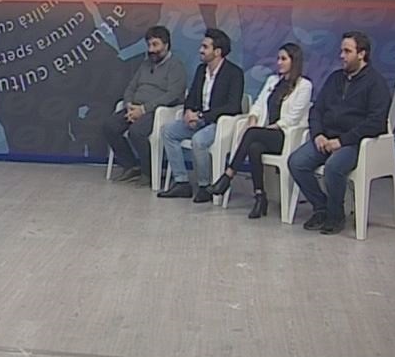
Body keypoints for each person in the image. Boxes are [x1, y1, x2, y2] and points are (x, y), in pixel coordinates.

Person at [288, 31, 391, 235]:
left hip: (354, 142)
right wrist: (318, 134)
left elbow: (376, 122)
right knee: (296, 162)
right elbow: (317, 110)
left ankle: (335, 216)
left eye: (347, 51)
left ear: (361, 54)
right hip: (325, 138)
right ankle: (321, 207)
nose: (341, 56)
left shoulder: (376, 83)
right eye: (341, 51)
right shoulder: (335, 78)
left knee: (333, 167)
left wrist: (342, 141)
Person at [207, 43, 313, 218]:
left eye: (283, 59)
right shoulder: (273, 81)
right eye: (278, 58)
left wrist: (266, 128)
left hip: (285, 135)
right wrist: (252, 118)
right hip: (265, 134)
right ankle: (259, 196)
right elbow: (258, 103)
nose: (279, 62)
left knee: (252, 134)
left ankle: (228, 176)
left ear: (294, 61)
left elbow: (292, 118)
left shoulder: (304, 86)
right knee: (254, 147)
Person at [157, 28, 244, 202]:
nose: (200, 50)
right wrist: (188, 112)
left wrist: (203, 116)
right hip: (198, 120)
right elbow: (191, 97)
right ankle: (181, 182)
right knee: (168, 131)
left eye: (205, 47)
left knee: (199, 140)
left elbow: (233, 106)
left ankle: (205, 186)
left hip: (220, 123)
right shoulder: (201, 70)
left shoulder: (234, 73)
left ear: (217, 52)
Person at [103, 26, 187, 186]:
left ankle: (148, 172)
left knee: (136, 132)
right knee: (110, 126)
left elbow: (173, 95)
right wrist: (129, 105)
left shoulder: (176, 66)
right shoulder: (145, 64)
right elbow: (131, 87)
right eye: (149, 45)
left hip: (157, 111)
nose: (151, 50)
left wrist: (143, 110)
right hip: (134, 108)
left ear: (166, 45)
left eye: (155, 45)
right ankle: (131, 166)